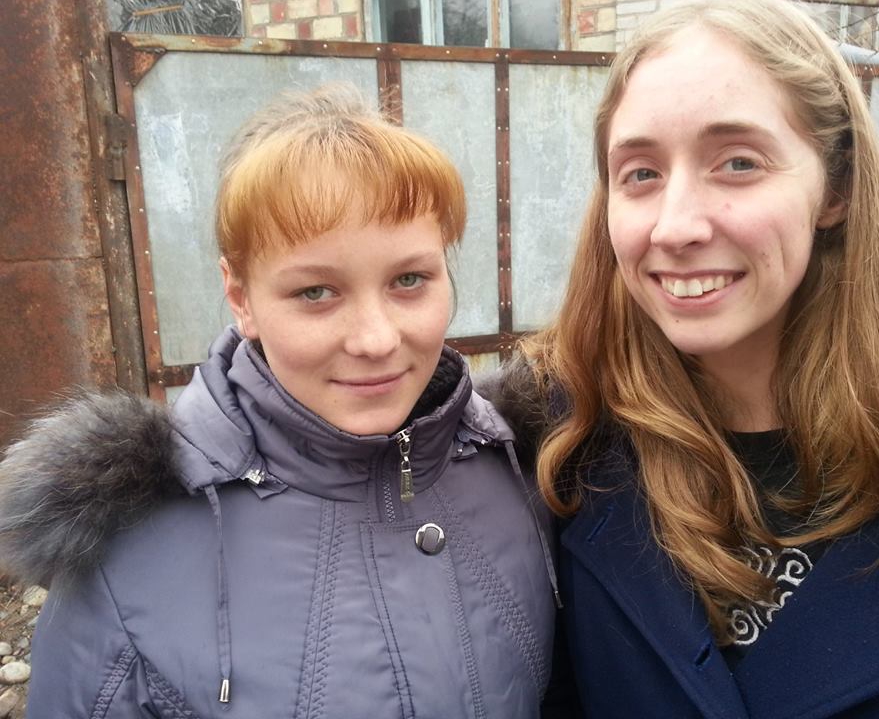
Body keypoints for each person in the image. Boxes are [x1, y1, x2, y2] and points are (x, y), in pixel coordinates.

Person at [0, 84, 558, 718]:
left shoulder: (523, 468)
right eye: (316, 292)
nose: (376, 339)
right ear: (241, 298)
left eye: (409, 279)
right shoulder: (122, 552)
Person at [489, 0, 879, 716]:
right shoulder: (541, 440)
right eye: (641, 174)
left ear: (835, 188)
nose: (675, 227)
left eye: (738, 163)